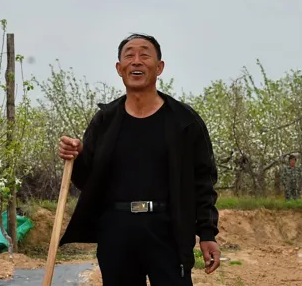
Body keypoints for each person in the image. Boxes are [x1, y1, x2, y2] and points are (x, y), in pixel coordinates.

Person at [57, 33, 220, 285]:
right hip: (117, 231)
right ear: (119, 69)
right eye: (129, 55)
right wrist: (75, 157)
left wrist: (207, 233)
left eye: (144, 55)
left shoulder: (184, 122)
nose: (136, 61)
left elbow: (204, 180)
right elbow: (87, 179)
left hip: (167, 231)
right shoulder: (105, 120)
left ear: (159, 67)